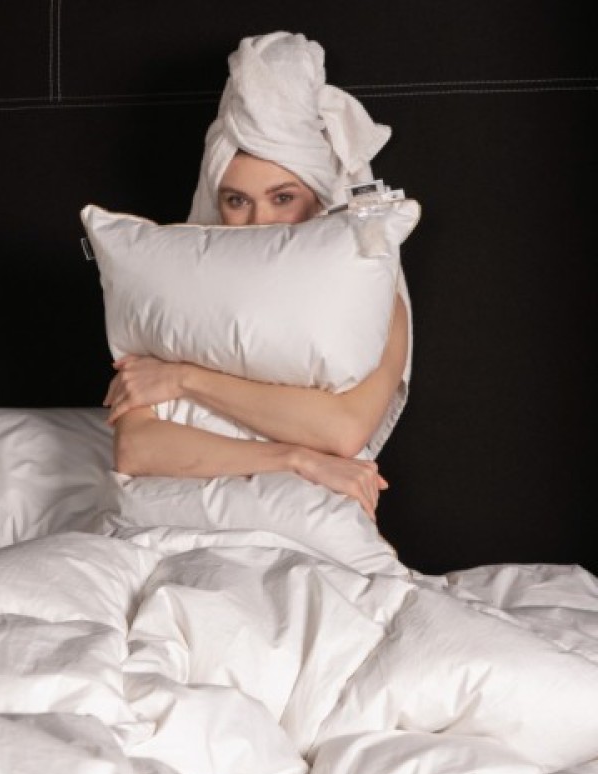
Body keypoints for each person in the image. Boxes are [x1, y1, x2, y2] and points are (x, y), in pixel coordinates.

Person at [102, 32, 410, 522]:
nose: (258, 222)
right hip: (169, 521)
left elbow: (343, 429)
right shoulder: (173, 286)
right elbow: (137, 448)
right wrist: (296, 459)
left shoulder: (373, 301)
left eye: (282, 197)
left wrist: (183, 379)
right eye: (237, 200)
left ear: (319, 198)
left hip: (305, 525)